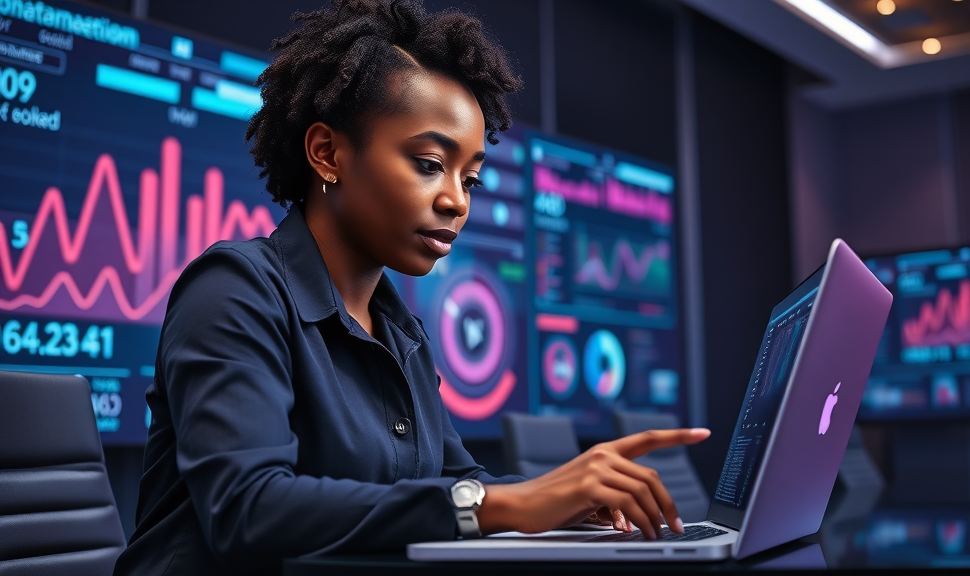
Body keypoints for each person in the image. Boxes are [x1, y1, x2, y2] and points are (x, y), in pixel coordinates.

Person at [113, 1, 710, 574]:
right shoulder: (234, 290)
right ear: (327, 154)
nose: (456, 200)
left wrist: (564, 495)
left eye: (470, 179)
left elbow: (458, 480)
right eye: (429, 164)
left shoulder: (400, 332)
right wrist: (500, 507)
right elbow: (249, 510)